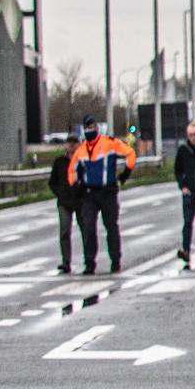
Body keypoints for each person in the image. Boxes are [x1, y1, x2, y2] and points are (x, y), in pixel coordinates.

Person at [67, 115, 137, 274]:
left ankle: (115, 260)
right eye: (87, 128)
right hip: (89, 194)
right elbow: (71, 170)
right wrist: (75, 186)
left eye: (92, 127)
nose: (90, 130)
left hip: (108, 192)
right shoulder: (82, 149)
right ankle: (89, 263)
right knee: (89, 227)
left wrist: (125, 174)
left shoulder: (109, 143)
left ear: (97, 128)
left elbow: (130, 153)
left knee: (111, 226)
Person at [49, 126, 86, 272]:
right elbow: (52, 181)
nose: (71, 145)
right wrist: (60, 193)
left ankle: (88, 260)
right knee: (64, 231)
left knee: (86, 231)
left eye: (74, 143)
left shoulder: (83, 161)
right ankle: (66, 262)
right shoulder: (60, 162)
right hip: (64, 202)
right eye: (69, 143)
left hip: (81, 200)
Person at [173, 120, 195, 266]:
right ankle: (186, 250)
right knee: (187, 222)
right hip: (189, 190)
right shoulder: (183, 150)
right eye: (191, 135)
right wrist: (182, 185)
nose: (194, 137)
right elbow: (177, 170)